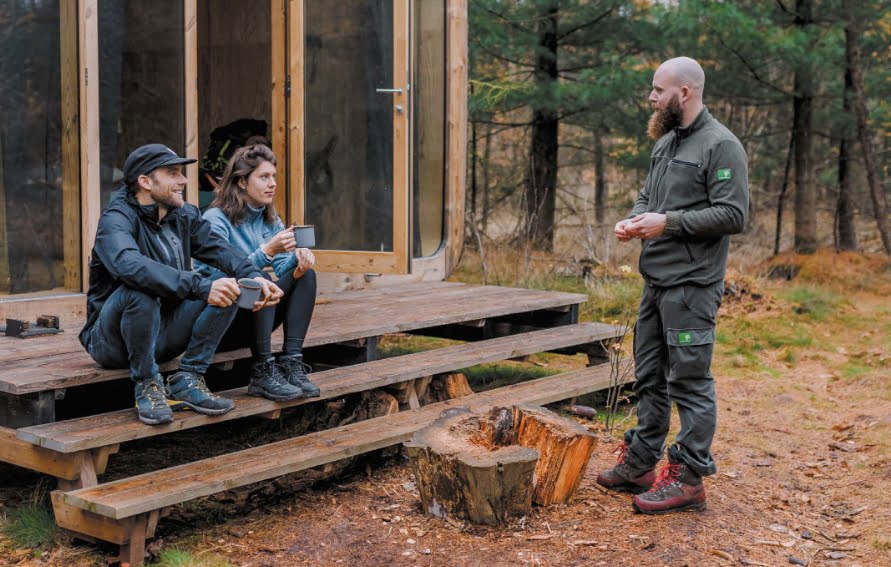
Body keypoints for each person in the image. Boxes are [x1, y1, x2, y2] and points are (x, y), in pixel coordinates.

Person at [596, 57, 749, 514]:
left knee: (690, 381)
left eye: (658, 89)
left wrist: (668, 223)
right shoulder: (665, 142)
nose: (651, 97)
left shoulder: (721, 146)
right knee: (647, 377)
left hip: (692, 286)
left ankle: (689, 478)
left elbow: (733, 215)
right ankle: (641, 463)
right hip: (656, 281)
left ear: (685, 92)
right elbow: (650, 195)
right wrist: (636, 217)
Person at [80, 144, 284, 425]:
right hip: (112, 343)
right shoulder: (116, 219)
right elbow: (130, 266)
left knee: (229, 283)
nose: (184, 181)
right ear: (146, 181)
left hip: (164, 333)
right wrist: (200, 287)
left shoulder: (183, 215)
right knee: (140, 290)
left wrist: (255, 275)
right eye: (173, 173)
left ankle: (189, 377)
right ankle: (147, 384)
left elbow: (220, 250)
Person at [196, 144, 320, 401]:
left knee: (306, 276)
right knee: (259, 280)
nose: (272, 183)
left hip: (257, 316)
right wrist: (267, 251)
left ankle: (291, 363)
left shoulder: (269, 220)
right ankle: (262, 370)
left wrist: (299, 262)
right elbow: (215, 277)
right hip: (219, 322)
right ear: (241, 182)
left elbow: (282, 269)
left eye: (273, 176)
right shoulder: (214, 220)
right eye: (264, 177)